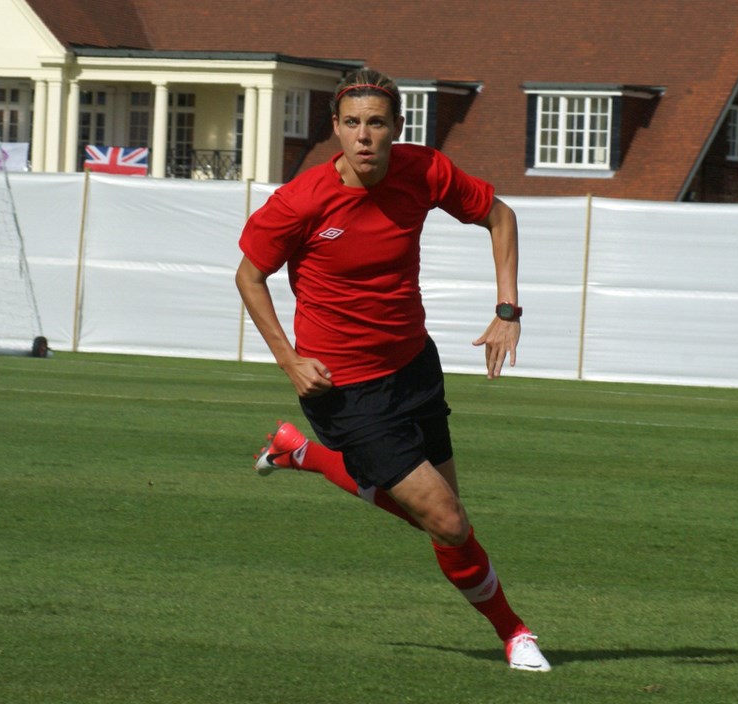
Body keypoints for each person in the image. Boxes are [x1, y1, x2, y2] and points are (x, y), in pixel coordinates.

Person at [235, 68, 550, 673]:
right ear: (335, 130)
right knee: (449, 523)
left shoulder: (423, 169)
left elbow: (501, 216)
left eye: (376, 123)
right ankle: (515, 633)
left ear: (396, 129)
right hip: (345, 387)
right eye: (352, 123)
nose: (364, 136)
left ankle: (302, 454)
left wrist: (508, 310)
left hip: (414, 367)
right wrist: (289, 359)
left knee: (446, 522)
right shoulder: (301, 202)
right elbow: (249, 276)